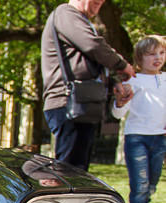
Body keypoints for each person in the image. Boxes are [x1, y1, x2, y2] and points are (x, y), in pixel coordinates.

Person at [41, 0, 135, 171]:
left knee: (77, 170)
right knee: (69, 171)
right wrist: (121, 65)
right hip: (68, 103)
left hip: (82, 103)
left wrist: (112, 84)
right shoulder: (65, 13)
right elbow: (93, 45)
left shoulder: (79, 20)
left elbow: (86, 65)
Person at [111, 35, 166, 203]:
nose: (157, 58)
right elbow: (118, 114)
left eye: (161, 53)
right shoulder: (132, 82)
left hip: (159, 138)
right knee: (140, 185)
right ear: (139, 58)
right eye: (151, 54)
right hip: (137, 138)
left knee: (150, 186)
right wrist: (119, 102)